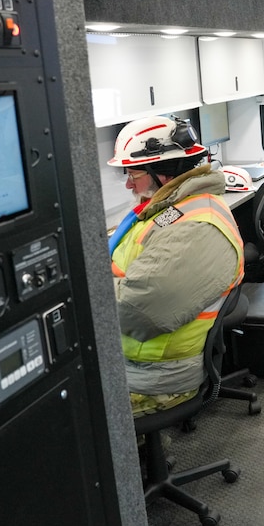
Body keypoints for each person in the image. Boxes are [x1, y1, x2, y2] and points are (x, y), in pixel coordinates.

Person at [106, 116, 244, 416]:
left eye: (134, 172)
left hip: (151, 379)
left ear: (165, 174)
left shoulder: (196, 228)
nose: (129, 183)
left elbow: (137, 310)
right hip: (134, 363)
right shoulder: (174, 209)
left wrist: (91, 289)